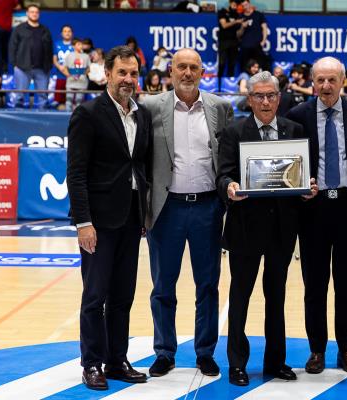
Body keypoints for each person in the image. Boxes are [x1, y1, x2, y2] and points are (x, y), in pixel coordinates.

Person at [217, 71, 317, 387]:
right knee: (240, 296)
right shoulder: (234, 132)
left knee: (276, 297)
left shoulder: (295, 130)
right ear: (250, 99)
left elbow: (302, 177)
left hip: (282, 229)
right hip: (245, 228)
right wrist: (230, 187)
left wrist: (306, 189)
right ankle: (237, 363)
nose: (265, 101)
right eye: (258, 95)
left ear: (278, 97)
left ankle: (275, 362)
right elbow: (223, 176)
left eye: (270, 95)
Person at [139, 48, 233, 379]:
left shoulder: (220, 108)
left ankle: (205, 352)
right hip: (167, 210)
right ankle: (164, 351)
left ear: (203, 72)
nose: (188, 73)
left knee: (207, 286)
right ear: (171, 71)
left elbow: (229, 156)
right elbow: (140, 158)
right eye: (182, 67)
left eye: (194, 67)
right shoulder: (151, 107)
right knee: (163, 286)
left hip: (208, 207)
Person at [66, 45, 152, 391]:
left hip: (132, 219)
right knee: (95, 295)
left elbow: (140, 165)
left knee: (122, 296)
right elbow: (76, 173)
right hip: (98, 223)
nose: (128, 79)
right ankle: (91, 363)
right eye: (122, 73)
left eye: (133, 73)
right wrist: (83, 222)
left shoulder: (142, 114)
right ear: (107, 74)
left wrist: (144, 212)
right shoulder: (87, 114)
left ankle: (117, 359)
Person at [286, 57, 347, 375]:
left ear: (343, 80)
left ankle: (346, 349)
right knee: (314, 286)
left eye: (332, 79)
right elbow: (288, 165)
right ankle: (316, 350)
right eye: (320, 80)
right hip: (312, 210)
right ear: (312, 82)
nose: (326, 86)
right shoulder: (296, 116)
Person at [8, 4, 53, 109]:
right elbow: (12, 47)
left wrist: (49, 65)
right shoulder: (19, 29)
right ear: (27, 14)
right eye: (32, 12)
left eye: (36, 12)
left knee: (43, 97)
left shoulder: (45, 30)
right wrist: (14, 64)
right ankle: (17, 121)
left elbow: (50, 49)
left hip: (42, 68)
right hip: (22, 68)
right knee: (20, 96)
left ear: (39, 14)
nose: (34, 14)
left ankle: (44, 121)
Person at [238, 0, 269, 71]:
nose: (246, 7)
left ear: (249, 4)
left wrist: (263, 41)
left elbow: (264, 28)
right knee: (245, 67)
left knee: (260, 65)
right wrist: (242, 27)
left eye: (246, 4)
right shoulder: (241, 17)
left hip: (257, 45)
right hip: (245, 46)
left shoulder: (258, 15)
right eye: (243, 6)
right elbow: (238, 34)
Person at [217, 0, 245, 79]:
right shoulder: (222, 12)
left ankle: (230, 86)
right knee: (222, 63)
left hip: (234, 42)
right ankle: (218, 83)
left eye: (236, 5)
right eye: (234, 4)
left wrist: (242, 26)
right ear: (230, 3)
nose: (235, 6)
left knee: (232, 64)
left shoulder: (237, 14)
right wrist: (236, 21)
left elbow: (238, 33)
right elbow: (224, 25)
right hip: (224, 41)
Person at [64, 38, 90, 111]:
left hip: (81, 81)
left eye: (81, 44)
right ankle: (67, 115)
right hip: (71, 81)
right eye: (78, 44)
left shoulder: (86, 56)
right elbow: (65, 67)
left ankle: (78, 117)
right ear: (73, 46)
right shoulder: (69, 56)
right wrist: (68, 75)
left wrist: (83, 74)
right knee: (69, 100)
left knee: (79, 101)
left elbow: (89, 68)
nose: (81, 46)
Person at [53, 25, 73, 110]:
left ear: (72, 33)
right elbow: (54, 59)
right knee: (60, 101)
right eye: (65, 31)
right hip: (60, 76)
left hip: (72, 76)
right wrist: (60, 67)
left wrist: (68, 72)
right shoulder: (57, 44)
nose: (67, 33)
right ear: (61, 33)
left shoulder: (75, 45)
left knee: (71, 99)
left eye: (69, 31)